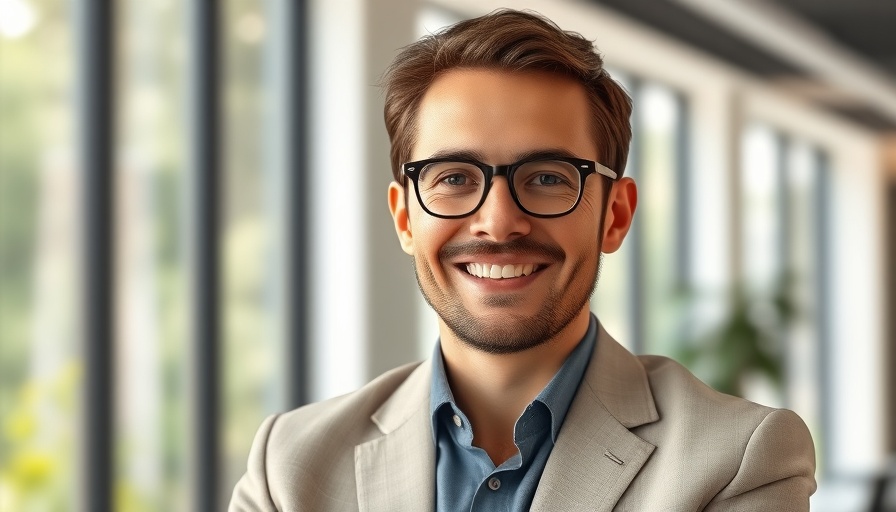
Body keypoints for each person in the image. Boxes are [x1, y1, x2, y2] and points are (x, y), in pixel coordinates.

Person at [229, 8, 816, 511]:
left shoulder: (739, 458)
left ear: (614, 214)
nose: (499, 221)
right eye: (454, 177)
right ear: (406, 217)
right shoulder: (290, 466)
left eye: (546, 177)